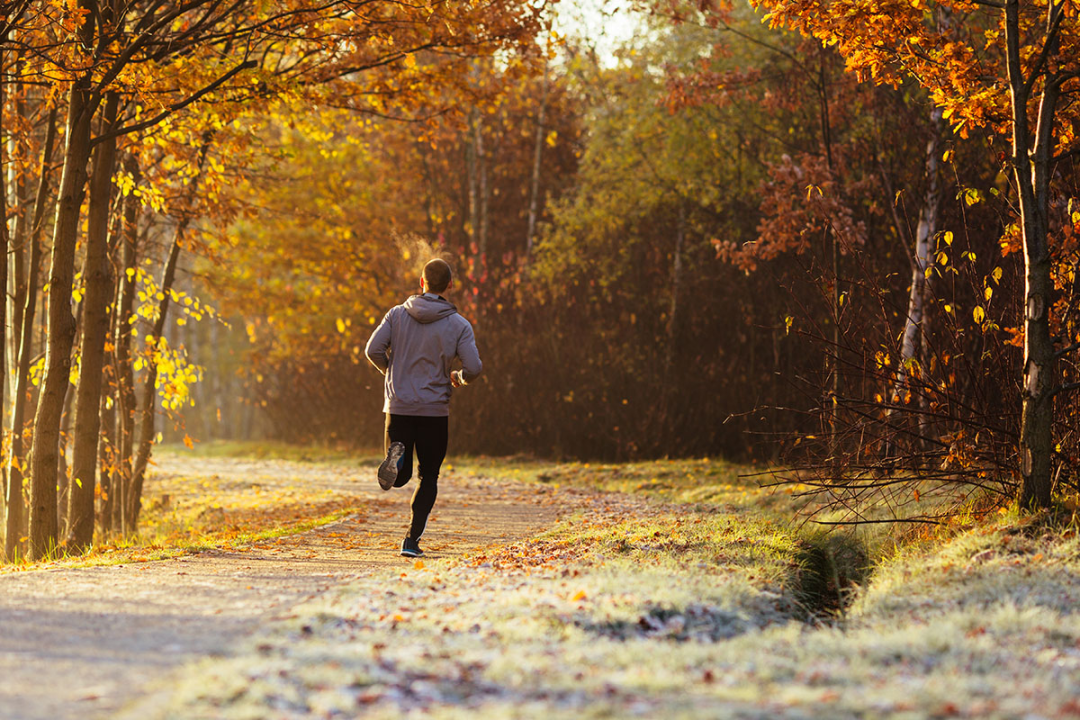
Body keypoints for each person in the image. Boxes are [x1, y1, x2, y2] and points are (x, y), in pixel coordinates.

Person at [364, 258, 482, 558]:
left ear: (421, 282)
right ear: (450, 285)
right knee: (428, 476)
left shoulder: (396, 315)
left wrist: (390, 372)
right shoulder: (459, 325)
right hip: (433, 411)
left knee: (399, 477)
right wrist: (459, 377)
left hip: (399, 405)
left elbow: (373, 350)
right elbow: (474, 368)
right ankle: (411, 540)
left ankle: (397, 460)